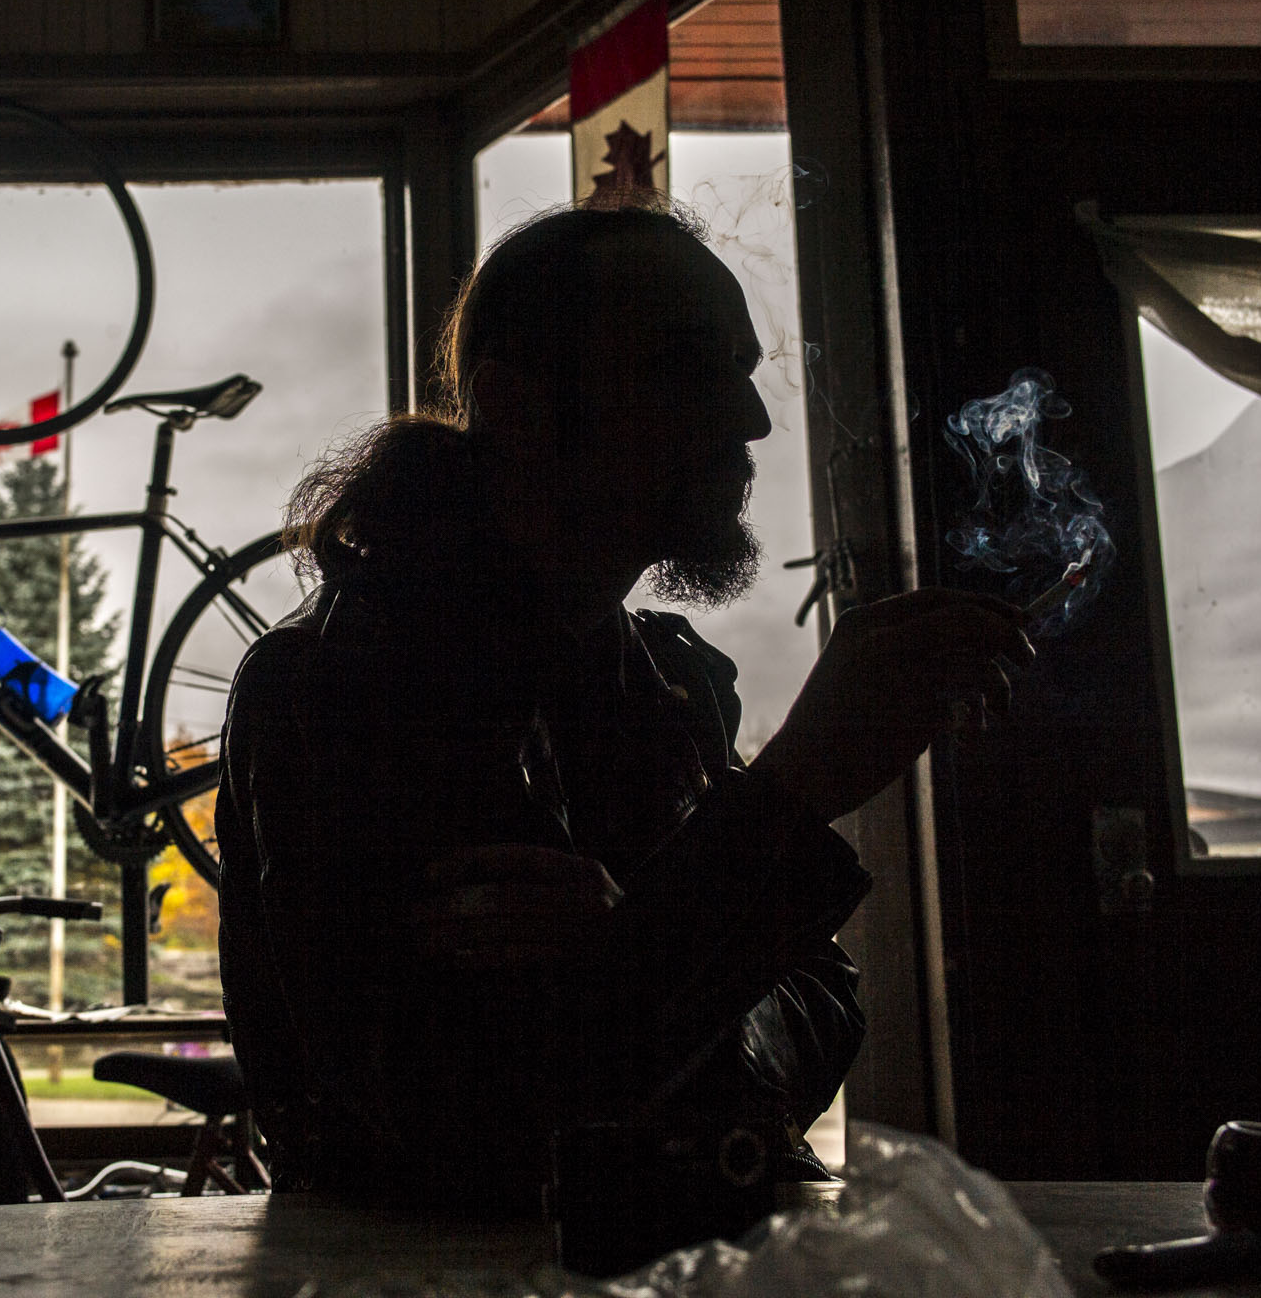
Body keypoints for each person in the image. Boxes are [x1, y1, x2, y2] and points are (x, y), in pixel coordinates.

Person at [215, 201, 1031, 1210]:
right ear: (512, 405)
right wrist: (785, 795)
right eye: (687, 367)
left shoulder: (664, 678)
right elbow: (473, 1126)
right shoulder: (338, 690)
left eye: (742, 366)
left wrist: (630, 935)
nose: (750, 418)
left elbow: (819, 1008)